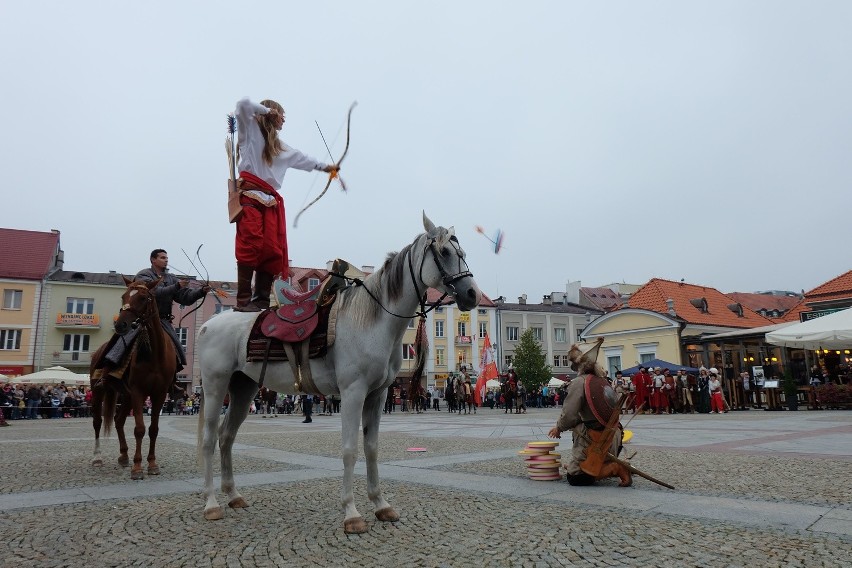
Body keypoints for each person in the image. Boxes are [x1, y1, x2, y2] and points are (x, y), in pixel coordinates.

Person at [231, 97, 337, 312]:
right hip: (250, 195)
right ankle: (242, 301)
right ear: (271, 114)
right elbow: (242, 104)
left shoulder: (282, 148)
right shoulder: (250, 132)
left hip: (269, 201)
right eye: (282, 115)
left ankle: (260, 300)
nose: (284, 120)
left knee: (271, 249)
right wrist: (266, 109)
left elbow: (304, 159)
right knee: (251, 243)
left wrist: (327, 168)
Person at [98, 250, 209, 383]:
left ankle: (172, 379)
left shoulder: (171, 278)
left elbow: (184, 297)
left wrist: (201, 292)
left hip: (163, 320)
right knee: (123, 340)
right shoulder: (143, 275)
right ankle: (106, 372)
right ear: (153, 260)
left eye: (167, 257)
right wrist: (177, 286)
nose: (166, 260)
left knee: (176, 348)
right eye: (162, 257)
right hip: (141, 319)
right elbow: (154, 292)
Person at [547, 341, 631, 487]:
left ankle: (614, 467)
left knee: (576, 478)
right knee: (578, 467)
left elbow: (569, 414)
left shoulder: (579, 382)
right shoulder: (602, 380)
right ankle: (596, 464)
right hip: (614, 435)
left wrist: (559, 428)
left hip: (595, 439)